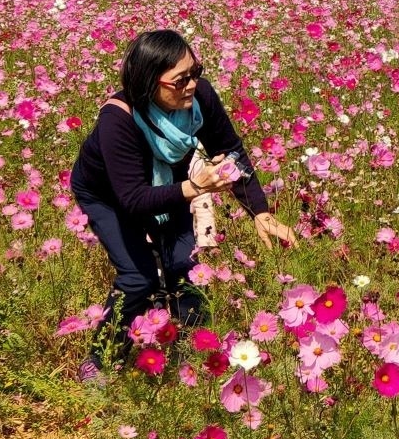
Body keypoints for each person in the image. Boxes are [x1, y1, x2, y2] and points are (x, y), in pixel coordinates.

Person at [71, 30, 296, 382]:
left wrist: (260, 212)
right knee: (137, 278)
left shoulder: (198, 97)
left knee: (183, 264)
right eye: (180, 80)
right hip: (110, 196)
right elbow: (133, 198)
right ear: (149, 82)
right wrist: (193, 187)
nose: (191, 85)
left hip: (172, 186)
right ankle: (101, 359)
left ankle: (190, 347)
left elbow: (229, 149)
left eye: (196, 72)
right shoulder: (119, 120)